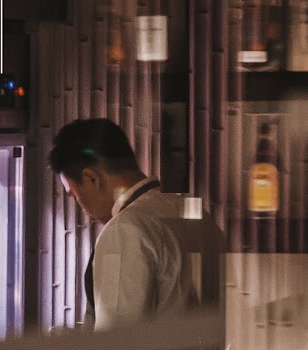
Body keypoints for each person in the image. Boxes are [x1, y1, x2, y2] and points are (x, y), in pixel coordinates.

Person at [47, 118, 201, 330]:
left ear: (92, 178)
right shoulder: (187, 209)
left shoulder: (123, 231)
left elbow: (115, 341)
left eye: (74, 194)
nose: (80, 206)